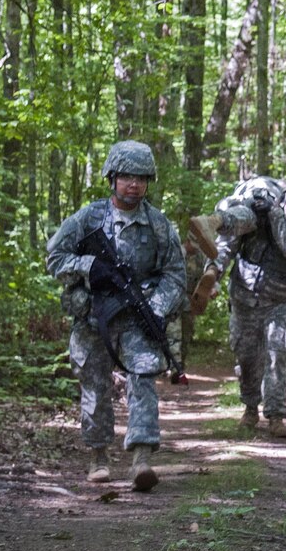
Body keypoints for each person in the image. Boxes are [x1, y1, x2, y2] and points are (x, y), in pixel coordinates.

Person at [46, 140, 186, 492]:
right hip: (94, 317)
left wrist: (156, 307)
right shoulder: (89, 218)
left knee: (142, 380)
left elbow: (175, 275)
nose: (134, 184)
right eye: (126, 177)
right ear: (112, 178)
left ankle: (141, 459)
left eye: (141, 178)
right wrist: (88, 266)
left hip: (137, 316)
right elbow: (55, 258)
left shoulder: (158, 225)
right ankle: (98, 457)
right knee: (95, 387)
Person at [188, 175, 286, 437]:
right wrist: (213, 273)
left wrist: (275, 215)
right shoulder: (260, 214)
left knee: (276, 354)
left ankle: (275, 415)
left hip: (280, 302)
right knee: (247, 356)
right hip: (245, 297)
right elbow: (228, 247)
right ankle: (250, 409)